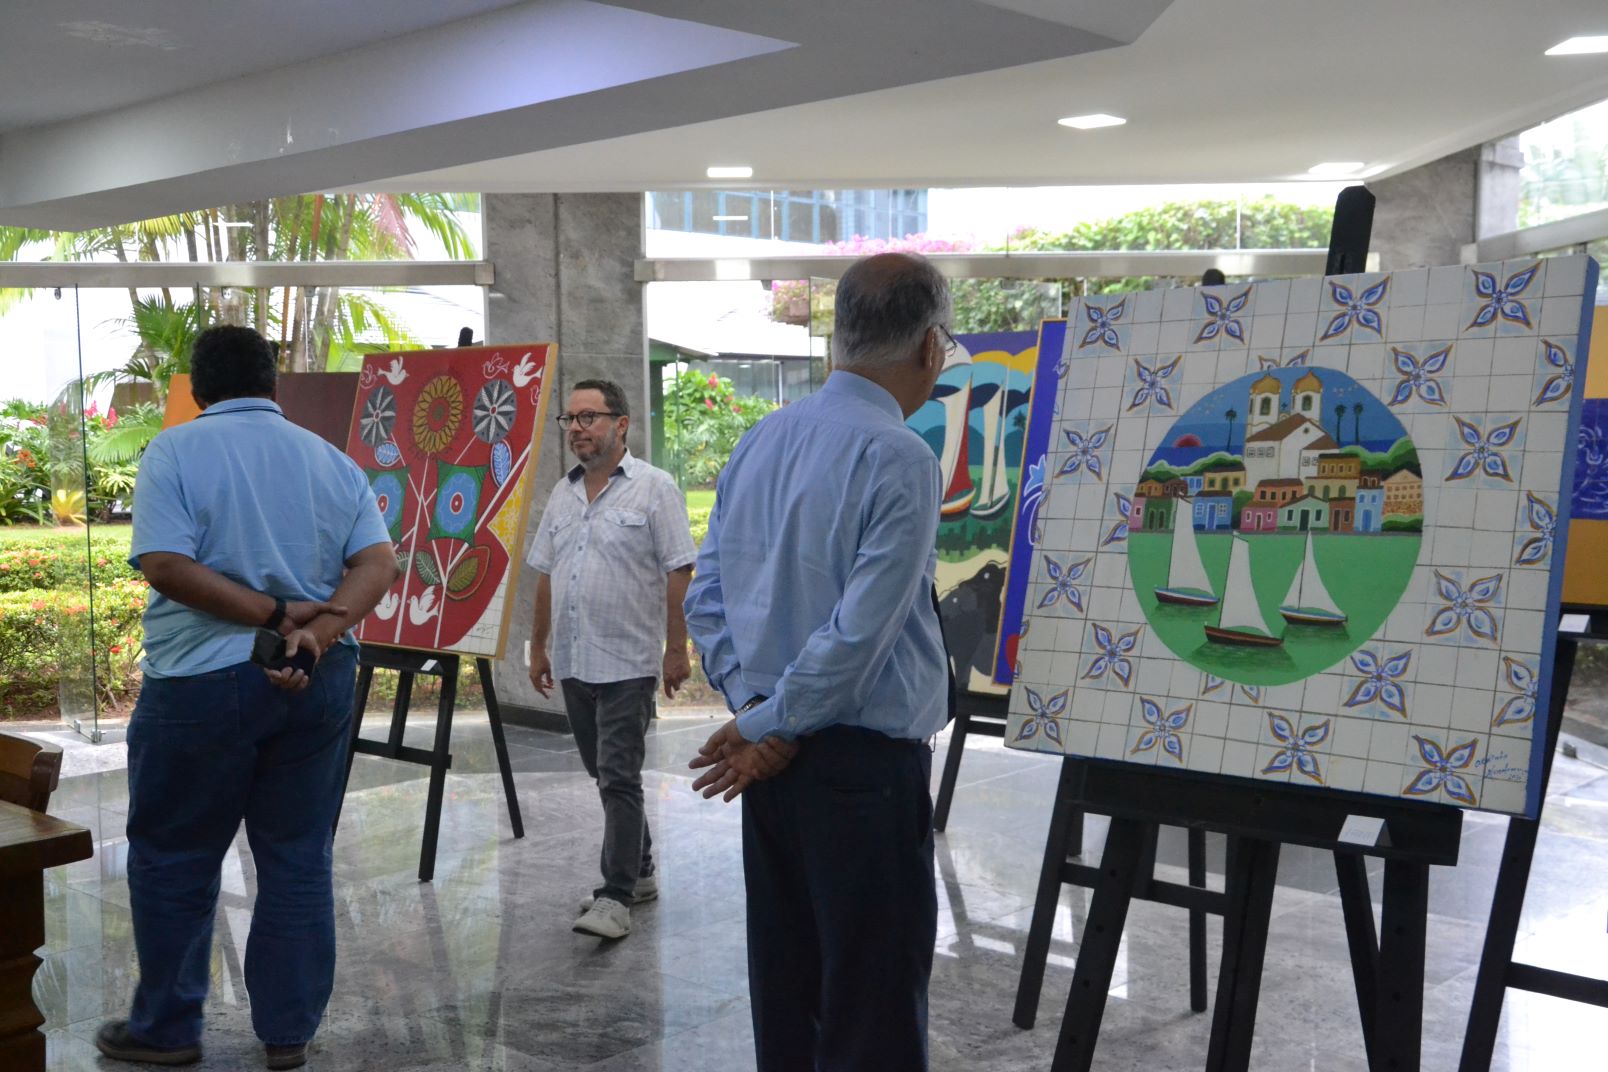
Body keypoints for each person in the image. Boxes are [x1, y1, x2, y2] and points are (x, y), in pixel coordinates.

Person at [95, 326, 399, 1070]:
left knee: (175, 855)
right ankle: (288, 1034)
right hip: (317, 679)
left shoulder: (174, 451)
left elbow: (165, 564)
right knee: (297, 855)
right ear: (273, 384)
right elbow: (378, 562)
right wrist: (314, 633)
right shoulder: (330, 460)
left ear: (198, 389)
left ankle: (167, 1030)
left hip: (200, 683)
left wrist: (274, 615)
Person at [684, 252, 953, 1070]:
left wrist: (758, 717)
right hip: (861, 775)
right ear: (931, 346)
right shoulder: (899, 455)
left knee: (787, 991)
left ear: (841, 336)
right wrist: (770, 724)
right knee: (872, 1012)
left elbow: (707, 598)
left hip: (771, 772)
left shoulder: (763, 438)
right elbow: (858, 639)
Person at [526, 378, 697, 940]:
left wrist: (677, 649)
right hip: (574, 659)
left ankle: (616, 895)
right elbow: (546, 573)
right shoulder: (563, 493)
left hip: (627, 660)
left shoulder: (655, 488)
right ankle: (640, 872)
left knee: (619, 775)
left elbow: (679, 570)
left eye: (589, 417)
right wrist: (539, 646)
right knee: (604, 773)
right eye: (570, 419)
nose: (576, 428)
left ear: (620, 424)